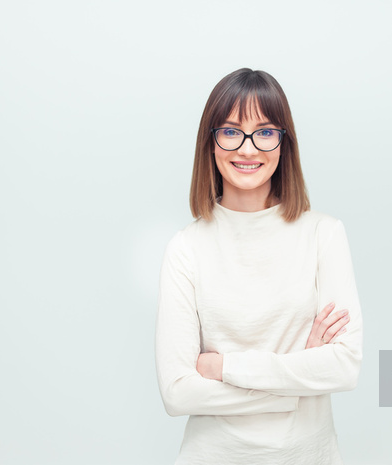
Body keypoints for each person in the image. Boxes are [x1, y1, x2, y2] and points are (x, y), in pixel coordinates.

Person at [155, 68, 363, 465]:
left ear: (284, 144)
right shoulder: (186, 248)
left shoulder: (324, 235)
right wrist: (297, 379)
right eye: (231, 131)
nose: (248, 149)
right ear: (210, 144)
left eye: (265, 132)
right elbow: (178, 392)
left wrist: (224, 367)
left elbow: (343, 367)